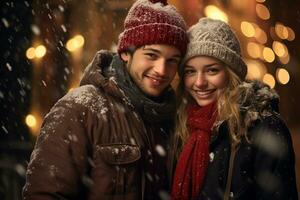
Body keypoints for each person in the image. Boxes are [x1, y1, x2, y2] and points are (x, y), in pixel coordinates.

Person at [23, 0, 188, 199]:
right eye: (151, 55)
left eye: (172, 61)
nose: (161, 70)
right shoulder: (80, 109)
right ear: (126, 53)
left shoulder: (175, 118)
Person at [171, 17, 298, 200]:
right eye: (190, 71)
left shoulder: (265, 127)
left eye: (211, 70)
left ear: (231, 73)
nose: (199, 82)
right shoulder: (182, 125)